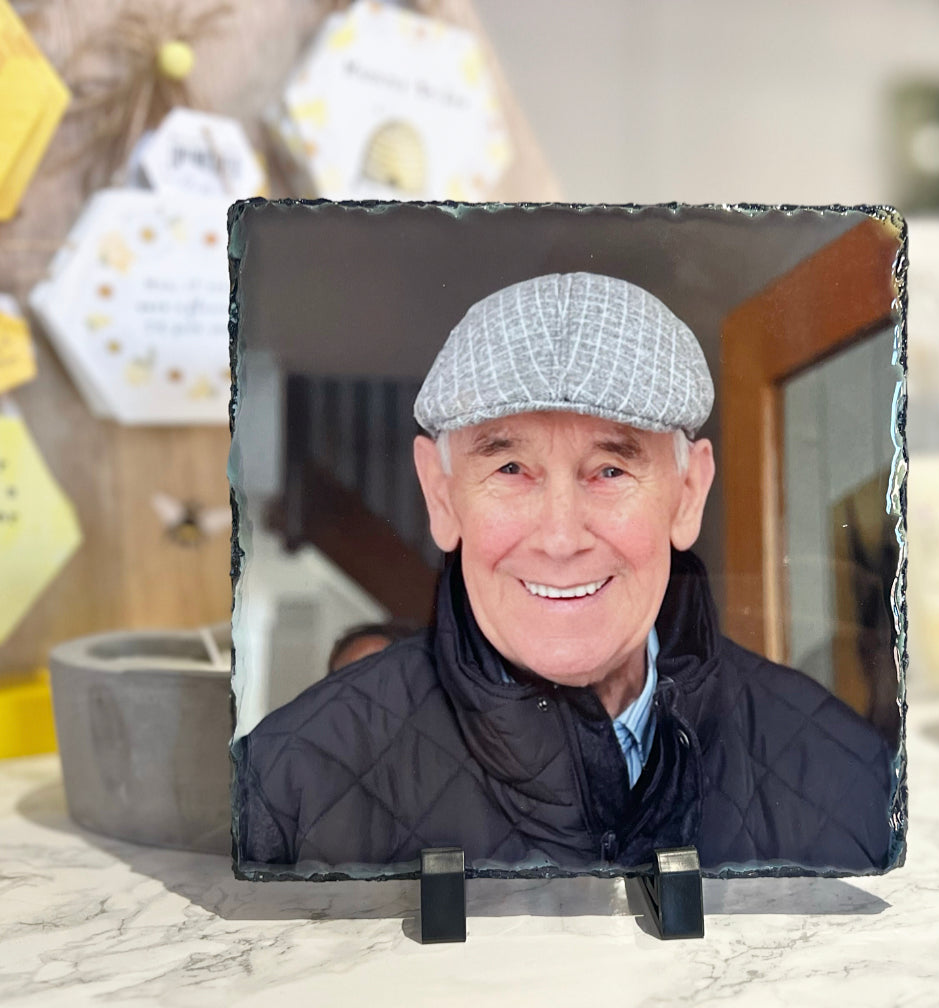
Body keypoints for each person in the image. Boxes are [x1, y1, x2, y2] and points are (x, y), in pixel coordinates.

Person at [236, 272, 904, 876]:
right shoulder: (285, 786)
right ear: (441, 496)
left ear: (688, 493)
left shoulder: (852, 780)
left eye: (611, 469)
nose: (560, 539)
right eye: (509, 469)